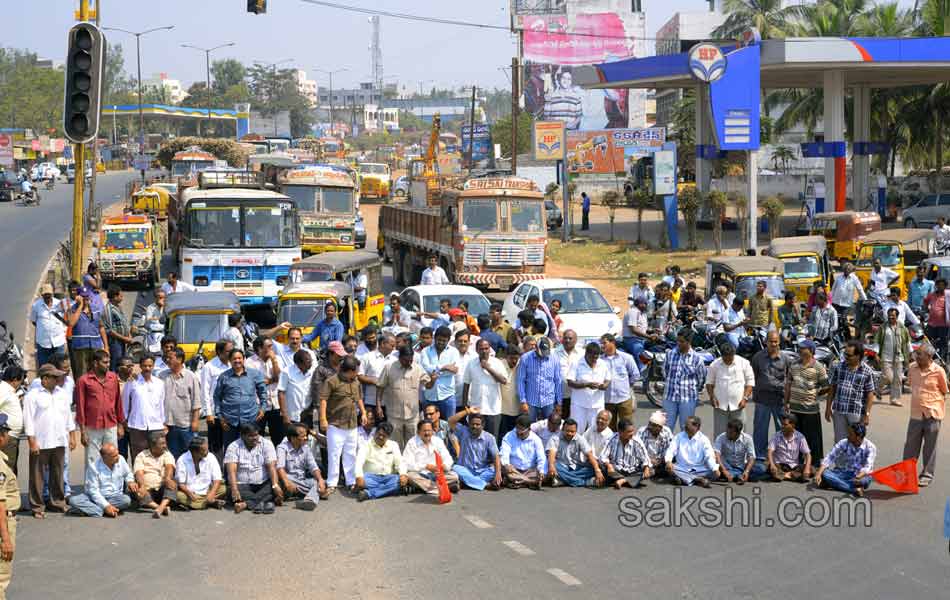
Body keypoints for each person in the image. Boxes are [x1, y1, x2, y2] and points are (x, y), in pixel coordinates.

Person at [24, 363, 75, 518]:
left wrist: (72, 435)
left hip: (59, 439)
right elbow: (28, 420)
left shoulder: (62, 394)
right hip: (41, 441)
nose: (59, 379)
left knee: (58, 473)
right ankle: (37, 506)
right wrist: (32, 442)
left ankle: (58, 502)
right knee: (37, 475)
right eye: (55, 377)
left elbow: (68, 416)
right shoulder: (32, 395)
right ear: (45, 378)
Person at [319, 355, 367, 493]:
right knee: (334, 454)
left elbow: (359, 399)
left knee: (350, 454)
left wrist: (363, 412)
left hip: (352, 423)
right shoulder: (331, 381)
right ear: (349, 371)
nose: (358, 373)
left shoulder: (356, 381)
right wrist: (323, 419)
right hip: (335, 424)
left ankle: (350, 481)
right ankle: (332, 483)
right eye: (356, 370)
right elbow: (323, 400)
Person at [903, 343, 947, 487]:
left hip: (933, 413)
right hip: (916, 413)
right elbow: (910, 383)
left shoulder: (938, 371)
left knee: (930, 446)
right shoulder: (912, 368)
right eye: (917, 353)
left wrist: (934, 404)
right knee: (910, 446)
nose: (916, 356)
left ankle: (927, 474)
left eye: (920, 354)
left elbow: (943, 390)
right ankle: (907, 474)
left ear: (929, 356)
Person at [74, 349, 123, 472]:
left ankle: (112, 487)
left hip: (111, 424)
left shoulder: (113, 378)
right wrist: (83, 431)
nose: (108, 365)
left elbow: (118, 402)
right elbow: (80, 406)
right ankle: (92, 488)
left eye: (108, 362)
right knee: (92, 459)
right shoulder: (83, 380)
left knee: (112, 456)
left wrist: (120, 425)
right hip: (92, 426)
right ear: (95, 363)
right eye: (105, 362)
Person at [784, 340, 829, 468]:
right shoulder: (793, 365)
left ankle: (814, 464)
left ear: (811, 351)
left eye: (803, 348)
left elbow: (826, 386)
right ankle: (795, 462)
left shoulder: (818, 367)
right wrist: (786, 402)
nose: (800, 350)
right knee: (795, 437)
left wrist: (815, 394)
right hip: (794, 409)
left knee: (812, 439)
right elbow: (788, 384)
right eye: (800, 348)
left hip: (810, 410)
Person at [213, 349, 268, 450]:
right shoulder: (224, 377)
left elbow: (263, 392)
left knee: (252, 448)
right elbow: (217, 397)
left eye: (239, 358)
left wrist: (263, 408)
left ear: (244, 359)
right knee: (230, 450)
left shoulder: (255, 374)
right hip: (229, 421)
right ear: (229, 360)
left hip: (250, 418)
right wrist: (220, 417)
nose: (237, 361)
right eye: (234, 359)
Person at [224, 423, 281, 514]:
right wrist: (234, 489)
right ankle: (266, 501)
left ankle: (246, 504)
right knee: (231, 491)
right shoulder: (233, 447)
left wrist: (275, 485)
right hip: (242, 485)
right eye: (250, 436)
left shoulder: (266, 444)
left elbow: (271, 467)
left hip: (263, 483)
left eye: (256, 435)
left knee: (278, 486)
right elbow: (231, 471)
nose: (255, 438)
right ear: (242, 436)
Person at [827, 340, 877, 442]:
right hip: (839, 411)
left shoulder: (867, 372)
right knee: (840, 443)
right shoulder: (839, 367)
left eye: (849, 355)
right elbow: (832, 388)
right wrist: (828, 408)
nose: (846, 357)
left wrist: (867, 415)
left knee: (856, 442)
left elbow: (870, 395)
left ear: (858, 356)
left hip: (856, 413)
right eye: (845, 354)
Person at [377, 346, 427, 448]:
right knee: (395, 444)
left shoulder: (417, 368)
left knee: (413, 443)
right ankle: (397, 463)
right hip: (394, 414)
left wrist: (433, 379)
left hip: (412, 415)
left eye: (411, 360)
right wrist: (378, 406)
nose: (409, 363)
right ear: (400, 358)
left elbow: (428, 385)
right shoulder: (389, 367)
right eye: (406, 360)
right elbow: (380, 387)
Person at [750, 331, 789, 457]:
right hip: (762, 400)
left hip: (779, 400)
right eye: (771, 341)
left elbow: (789, 379)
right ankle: (760, 457)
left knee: (782, 430)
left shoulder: (785, 359)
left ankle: (781, 456)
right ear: (766, 342)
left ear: (779, 342)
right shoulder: (757, 357)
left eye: (776, 341)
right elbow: (753, 377)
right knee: (760, 431)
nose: (773, 344)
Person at [122, 355, 166, 464]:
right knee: (138, 459)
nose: (147, 368)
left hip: (156, 426)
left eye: (150, 366)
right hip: (137, 426)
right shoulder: (132, 382)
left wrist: (163, 423)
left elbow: (162, 405)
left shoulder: (159, 384)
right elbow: (125, 403)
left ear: (153, 366)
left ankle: (154, 480)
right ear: (140, 366)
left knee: (157, 458)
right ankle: (139, 480)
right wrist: (124, 421)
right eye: (145, 366)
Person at [705, 341, 754, 439]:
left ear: (734, 354)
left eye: (730, 358)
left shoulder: (743, 363)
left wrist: (745, 398)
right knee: (720, 435)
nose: (728, 361)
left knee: (740, 434)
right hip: (720, 406)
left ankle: (741, 454)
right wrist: (712, 397)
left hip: (738, 405)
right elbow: (709, 383)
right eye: (725, 358)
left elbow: (750, 382)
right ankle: (720, 454)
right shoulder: (715, 364)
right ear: (721, 355)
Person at [815, 422, 876, 497]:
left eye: (851, 434)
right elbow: (830, 457)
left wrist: (858, 477)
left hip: (862, 475)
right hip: (846, 472)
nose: (848, 436)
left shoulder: (870, 447)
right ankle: (854, 489)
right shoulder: (844, 442)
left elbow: (868, 467)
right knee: (825, 474)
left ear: (858, 437)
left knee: (865, 480)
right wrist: (819, 473)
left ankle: (835, 484)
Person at [462, 339, 507, 440]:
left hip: (493, 409)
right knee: (475, 437)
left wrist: (488, 368)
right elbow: (466, 384)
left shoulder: (497, 363)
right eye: (481, 349)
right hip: (476, 408)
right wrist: (465, 406)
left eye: (486, 348)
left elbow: (503, 380)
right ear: (477, 350)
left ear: (490, 349)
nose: (484, 351)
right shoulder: (471, 364)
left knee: (492, 438)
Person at [161, 348, 201, 459]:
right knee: (172, 457)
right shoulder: (162, 376)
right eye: (167, 358)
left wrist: (195, 422)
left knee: (190, 456)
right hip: (168, 425)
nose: (167, 360)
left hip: (186, 425)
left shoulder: (191, 377)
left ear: (179, 359)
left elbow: (196, 401)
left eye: (170, 358)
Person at [663, 330, 707, 431]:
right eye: (677, 341)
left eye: (682, 341)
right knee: (666, 428)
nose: (678, 343)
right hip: (670, 397)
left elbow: (701, 378)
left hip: (688, 399)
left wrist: (694, 390)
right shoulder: (670, 354)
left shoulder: (696, 359)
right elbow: (665, 371)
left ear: (689, 342)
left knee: (686, 428)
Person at [448, 407, 502, 491]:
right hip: (465, 469)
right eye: (472, 424)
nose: (474, 426)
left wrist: (498, 473)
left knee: (496, 469)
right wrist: (468, 411)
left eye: (477, 424)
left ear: (483, 425)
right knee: (456, 468)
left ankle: (467, 483)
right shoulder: (463, 431)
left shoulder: (489, 437)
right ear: (468, 424)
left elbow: (496, 456)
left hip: (482, 471)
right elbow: (451, 421)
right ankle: (485, 485)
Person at [277, 422, 328, 510]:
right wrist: (287, 482)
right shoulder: (282, 448)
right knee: (285, 477)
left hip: (301, 481)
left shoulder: (306, 448)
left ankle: (309, 500)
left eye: (306, 435)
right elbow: (280, 468)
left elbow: (314, 467)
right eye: (303, 436)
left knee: (319, 481)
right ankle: (317, 493)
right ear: (293, 438)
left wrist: (320, 480)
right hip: (287, 482)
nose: (306, 438)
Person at [402, 419, 460, 494]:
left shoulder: (438, 441)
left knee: (454, 476)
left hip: (437, 474)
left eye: (429, 430)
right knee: (410, 476)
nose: (427, 433)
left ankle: (422, 488)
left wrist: (444, 466)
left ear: (433, 431)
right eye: (424, 431)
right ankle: (443, 488)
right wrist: (425, 466)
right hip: (420, 474)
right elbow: (407, 464)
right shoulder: (412, 442)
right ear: (418, 432)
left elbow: (448, 458)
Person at [355, 422, 407, 501]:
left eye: (384, 436)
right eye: (379, 434)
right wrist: (359, 476)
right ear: (375, 432)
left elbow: (400, 462)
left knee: (398, 480)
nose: (380, 437)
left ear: (388, 437)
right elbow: (358, 462)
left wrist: (403, 474)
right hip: (370, 478)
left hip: (388, 477)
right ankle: (391, 490)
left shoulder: (393, 445)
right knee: (364, 480)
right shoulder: (366, 445)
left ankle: (369, 493)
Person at [246, 336, 284, 446]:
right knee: (258, 436)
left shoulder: (276, 359)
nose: (272, 349)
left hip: (275, 404)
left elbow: (280, 377)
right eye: (269, 346)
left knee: (278, 437)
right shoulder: (250, 362)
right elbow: (256, 382)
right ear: (259, 348)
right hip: (259, 405)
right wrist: (272, 380)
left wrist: (274, 361)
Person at [567, 342, 611, 434]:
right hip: (579, 405)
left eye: (596, 357)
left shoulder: (603, 364)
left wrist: (604, 386)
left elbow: (608, 380)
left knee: (596, 431)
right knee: (576, 430)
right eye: (592, 357)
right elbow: (570, 382)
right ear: (586, 354)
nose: (594, 360)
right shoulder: (576, 363)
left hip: (597, 404)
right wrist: (586, 385)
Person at [516, 337, 563, 422]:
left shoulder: (555, 359)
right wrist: (523, 401)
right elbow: (520, 380)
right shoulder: (525, 358)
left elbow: (558, 380)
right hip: (531, 401)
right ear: (536, 348)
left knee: (549, 426)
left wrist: (559, 402)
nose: (544, 355)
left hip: (549, 401)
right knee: (530, 426)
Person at [132, 432, 177, 519]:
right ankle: (159, 507)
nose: (165, 445)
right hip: (148, 491)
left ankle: (161, 506)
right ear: (152, 445)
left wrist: (167, 478)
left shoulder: (167, 454)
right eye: (162, 443)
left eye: (165, 443)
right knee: (135, 489)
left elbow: (169, 466)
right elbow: (139, 472)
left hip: (162, 491)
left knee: (173, 483)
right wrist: (142, 485)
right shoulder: (141, 456)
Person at [199, 339, 234, 454]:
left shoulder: (233, 365)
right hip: (215, 414)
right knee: (216, 447)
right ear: (219, 352)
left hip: (231, 412)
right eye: (229, 351)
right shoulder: (209, 367)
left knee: (231, 446)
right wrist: (208, 413)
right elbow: (204, 391)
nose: (232, 353)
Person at [419, 326, 461, 419]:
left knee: (449, 425)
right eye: (439, 340)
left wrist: (435, 370)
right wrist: (444, 367)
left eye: (444, 340)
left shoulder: (454, 352)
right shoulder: (425, 351)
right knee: (428, 425)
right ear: (434, 338)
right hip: (429, 395)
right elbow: (425, 368)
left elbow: (454, 370)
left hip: (448, 396)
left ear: (449, 340)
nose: (441, 342)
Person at [664, 416, 718, 487]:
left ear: (697, 427)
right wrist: (668, 461)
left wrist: (714, 468)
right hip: (681, 467)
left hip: (699, 469)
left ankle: (685, 479)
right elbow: (671, 450)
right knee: (669, 468)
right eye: (685, 425)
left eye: (687, 425)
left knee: (713, 470)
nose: (684, 426)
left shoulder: (704, 439)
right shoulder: (679, 437)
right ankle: (698, 479)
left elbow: (709, 455)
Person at [174, 436, 225, 510]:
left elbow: (217, 479)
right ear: (195, 452)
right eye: (204, 450)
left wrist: (212, 493)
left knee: (223, 488)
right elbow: (181, 483)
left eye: (207, 449)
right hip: (190, 493)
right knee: (178, 495)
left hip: (207, 490)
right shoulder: (182, 460)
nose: (207, 452)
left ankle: (201, 503)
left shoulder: (210, 456)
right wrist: (189, 493)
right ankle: (209, 502)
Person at [66, 286, 108, 376]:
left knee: (96, 372)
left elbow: (101, 327)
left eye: (87, 296)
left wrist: (106, 346)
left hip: (95, 345)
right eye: (83, 297)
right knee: (82, 374)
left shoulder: (95, 309)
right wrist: (80, 306)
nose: (85, 299)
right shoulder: (72, 309)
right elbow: (71, 323)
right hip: (80, 347)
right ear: (78, 297)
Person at [874, 307, 911, 406]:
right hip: (885, 357)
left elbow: (907, 342)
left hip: (899, 357)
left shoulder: (903, 328)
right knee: (888, 377)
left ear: (897, 317)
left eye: (893, 317)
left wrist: (910, 354)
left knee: (898, 378)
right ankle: (878, 388)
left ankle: (895, 399)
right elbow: (877, 341)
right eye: (889, 316)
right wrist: (876, 354)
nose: (891, 318)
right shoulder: (883, 327)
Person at [598, 419, 650, 489]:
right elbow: (602, 456)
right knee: (602, 467)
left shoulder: (637, 441)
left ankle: (623, 480)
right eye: (629, 432)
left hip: (633, 470)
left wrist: (646, 468)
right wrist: (608, 465)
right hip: (616, 470)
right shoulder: (611, 439)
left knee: (651, 470)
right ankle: (631, 480)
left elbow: (645, 458)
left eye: (633, 431)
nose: (632, 433)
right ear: (620, 432)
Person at [600, 334, 638, 430]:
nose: (602, 346)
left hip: (624, 399)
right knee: (609, 428)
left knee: (626, 427)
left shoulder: (626, 357)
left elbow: (635, 374)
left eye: (604, 343)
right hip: (607, 400)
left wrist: (626, 385)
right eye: (601, 343)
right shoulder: (600, 360)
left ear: (612, 342)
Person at [500, 414, 547, 489]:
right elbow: (504, 453)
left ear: (529, 429)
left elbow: (541, 457)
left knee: (540, 474)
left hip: (530, 470)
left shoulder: (536, 439)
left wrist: (541, 471)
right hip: (514, 470)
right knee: (505, 470)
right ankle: (529, 482)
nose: (518, 432)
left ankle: (518, 482)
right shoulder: (509, 436)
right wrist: (506, 465)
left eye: (522, 431)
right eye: (517, 429)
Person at [714, 419, 766, 484]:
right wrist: (724, 470)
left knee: (761, 468)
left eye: (730, 433)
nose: (727, 434)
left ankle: (734, 476)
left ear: (738, 433)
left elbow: (752, 457)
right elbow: (716, 455)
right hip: (727, 466)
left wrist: (747, 471)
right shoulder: (721, 437)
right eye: (727, 431)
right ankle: (737, 476)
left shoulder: (747, 439)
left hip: (742, 466)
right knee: (714, 468)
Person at [359, 332, 396, 420]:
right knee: (370, 426)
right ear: (383, 343)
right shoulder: (367, 357)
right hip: (370, 401)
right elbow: (359, 376)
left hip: (389, 402)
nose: (393, 348)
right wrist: (373, 380)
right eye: (391, 345)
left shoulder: (395, 360)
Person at [276, 348, 314, 433]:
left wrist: (310, 410)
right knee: (292, 441)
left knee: (306, 440)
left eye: (310, 360)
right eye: (308, 360)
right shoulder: (287, 372)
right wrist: (285, 415)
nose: (311, 362)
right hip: (291, 417)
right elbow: (281, 393)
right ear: (299, 363)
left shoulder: (312, 372)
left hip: (306, 416)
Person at [30, 283, 68, 369]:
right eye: (45, 294)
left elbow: (66, 319)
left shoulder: (60, 304)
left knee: (60, 368)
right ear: (42, 294)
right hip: (43, 343)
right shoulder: (36, 306)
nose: (47, 296)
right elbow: (34, 321)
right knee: (45, 369)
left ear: (52, 293)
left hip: (58, 342)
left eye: (49, 294)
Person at [766, 414, 812, 482]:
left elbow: (808, 454)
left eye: (785, 425)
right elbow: (769, 452)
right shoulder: (776, 436)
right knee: (770, 467)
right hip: (780, 465)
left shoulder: (800, 436)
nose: (782, 426)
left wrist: (807, 468)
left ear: (792, 425)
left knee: (812, 469)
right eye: (782, 424)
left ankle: (784, 475)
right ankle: (793, 476)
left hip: (794, 466)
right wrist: (772, 465)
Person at [0, 414, 17, 595]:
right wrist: (5, 539)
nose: (8, 436)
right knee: (1, 578)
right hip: (4, 522)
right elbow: (0, 503)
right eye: (5, 432)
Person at [0, 368, 25, 474]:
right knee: (7, 469)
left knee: (11, 468)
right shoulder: (3, 390)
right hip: (7, 437)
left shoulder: (9, 390)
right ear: (15, 379)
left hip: (12, 437)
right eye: (21, 381)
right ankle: (6, 490)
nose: (21, 384)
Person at [103, 285, 133, 371]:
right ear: (115, 297)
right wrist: (125, 338)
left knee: (123, 363)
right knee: (116, 364)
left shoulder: (118, 307)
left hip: (123, 341)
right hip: (115, 342)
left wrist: (129, 336)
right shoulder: (108, 309)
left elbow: (124, 323)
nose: (122, 298)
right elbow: (109, 330)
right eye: (121, 296)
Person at [831, 263, 866, 334]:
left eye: (848, 269)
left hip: (846, 304)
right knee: (836, 320)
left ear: (851, 270)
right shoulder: (839, 277)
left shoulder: (854, 278)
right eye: (845, 269)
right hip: (836, 303)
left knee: (843, 321)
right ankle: (837, 335)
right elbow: (833, 289)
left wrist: (865, 300)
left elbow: (860, 289)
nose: (847, 270)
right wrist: (830, 300)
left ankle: (847, 335)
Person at [622, 298, 653, 368]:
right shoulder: (633, 311)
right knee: (642, 358)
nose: (646, 305)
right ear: (639, 304)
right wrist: (648, 336)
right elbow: (633, 329)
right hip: (632, 340)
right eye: (644, 304)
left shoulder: (642, 314)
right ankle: (642, 374)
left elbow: (642, 328)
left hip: (641, 340)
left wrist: (653, 331)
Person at [498, 351, 522, 441]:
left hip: (517, 408)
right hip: (502, 408)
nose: (514, 361)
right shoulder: (500, 365)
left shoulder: (520, 365)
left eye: (516, 358)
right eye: (512, 358)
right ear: (506, 357)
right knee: (502, 434)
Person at [923, 278, 950, 359]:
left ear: (945, 286)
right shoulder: (932, 295)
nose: (940, 287)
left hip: (943, 324)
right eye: (938, 285)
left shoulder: (948, 294)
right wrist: (926, 311)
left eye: (942, 285)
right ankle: (931, 359)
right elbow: (925, 301)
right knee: (930, 342)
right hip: (931, 323)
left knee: (943, 343)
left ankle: (943, 360)